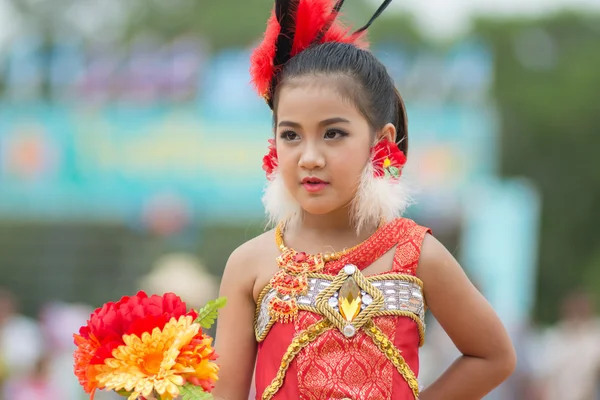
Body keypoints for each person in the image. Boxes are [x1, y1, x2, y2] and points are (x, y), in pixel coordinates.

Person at [213, 0, 516, 398]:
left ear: (381, 142)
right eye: (291, 135)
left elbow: (493, 356)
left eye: (333, 133)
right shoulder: (248, 265)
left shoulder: (417, 253)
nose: (310, 157)